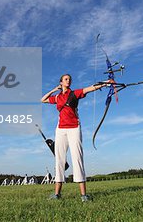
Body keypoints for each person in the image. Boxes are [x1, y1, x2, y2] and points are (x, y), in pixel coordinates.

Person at [41, 74, 107, 202]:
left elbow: (89, 88)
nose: (69, 80)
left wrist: (105, 83)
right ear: (61, 82)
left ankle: (83, 195)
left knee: (77, 158)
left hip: (74, 128)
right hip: (60, 130)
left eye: (70, 79)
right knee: (59, 160)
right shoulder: (57, 97)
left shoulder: (74, 94)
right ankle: (57, 195)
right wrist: (54, 90)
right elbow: (42, 99)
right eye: (66, 79)